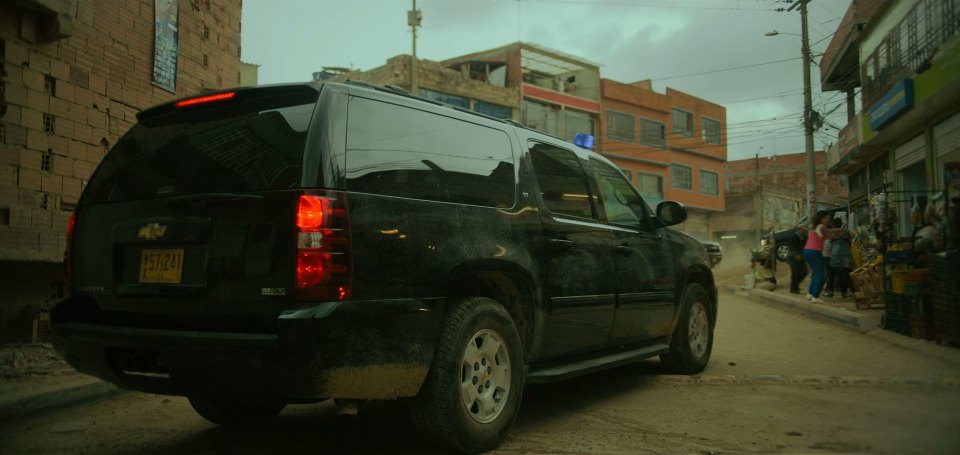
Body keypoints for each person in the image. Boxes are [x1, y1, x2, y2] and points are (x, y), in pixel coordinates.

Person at [803, 211, 833, 303]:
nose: (828, 220)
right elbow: (820, 229)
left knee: (816, 273)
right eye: (827, 218)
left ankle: (810, 293)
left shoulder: (813, 227)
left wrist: (840, 229)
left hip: (807, 251)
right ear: (822, 219)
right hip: (815, 251)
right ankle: (815, 296)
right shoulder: (821, 226)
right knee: (821, 273)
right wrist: (819, 232)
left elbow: (830, 233)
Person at [829, 218, 855, 298]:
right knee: (848, 274)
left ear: (833, 224)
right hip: (846, 255)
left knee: (833, 274)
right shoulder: (846, 231)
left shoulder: (832, 232)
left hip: (835, 255)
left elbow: (830, 243)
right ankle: (853, 292)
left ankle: (830, 291)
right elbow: (849, 243)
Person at [785, 225, 808, 294]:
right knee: (795, 271)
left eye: (805, 230)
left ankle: (793, 285)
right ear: (799, 230)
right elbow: (791, 247)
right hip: (792, 257)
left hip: (801, 257)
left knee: (804, 272)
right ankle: (794, 289)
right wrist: (795, 254)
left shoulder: (804, 238)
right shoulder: (793, 237)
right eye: (803, 230)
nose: (804, 232)